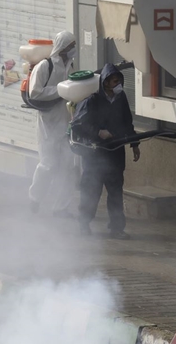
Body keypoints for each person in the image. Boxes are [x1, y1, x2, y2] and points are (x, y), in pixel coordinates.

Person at [70, 63, 139, 239]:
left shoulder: (121, 98)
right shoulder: (91, 101)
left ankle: (117, 228)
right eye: (115, 81)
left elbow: (127, 121)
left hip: (115, 153)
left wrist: (134, 143)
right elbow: (77, 125)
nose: (119, 85)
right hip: (95, 154)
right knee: (91, 192)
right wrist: (98, 132)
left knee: (115, 193)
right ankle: (84, 224)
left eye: (120, 81)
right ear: (106, 82)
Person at [29, 31, 77, 217]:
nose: (73, 49)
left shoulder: (70, 66)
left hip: (66, 124)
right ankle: (35, 198)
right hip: (48, 125)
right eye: (70, 46)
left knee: (68, 168)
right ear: (62, 47)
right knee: (48, 165)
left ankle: (61, 207)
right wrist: (61, 90)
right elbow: (35, 93)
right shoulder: (44, 66)